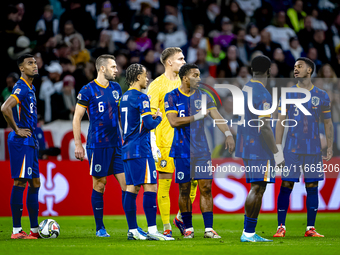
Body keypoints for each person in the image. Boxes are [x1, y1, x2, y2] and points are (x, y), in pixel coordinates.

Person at [165, 63, 235, 238]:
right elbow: (173, 121)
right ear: (185, 78)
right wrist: (196, 116)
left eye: (199, 75)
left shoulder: (204, 96)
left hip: (202, 151)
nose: (199, 78)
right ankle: (188, 227)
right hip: (182, 150)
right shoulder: (171, 96)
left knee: (206, 188)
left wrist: (228, 133)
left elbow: (217, 116)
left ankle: (208, 229)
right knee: (184, 190)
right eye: (195, 75)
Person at [273, 57, 334, 238]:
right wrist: (277, 148)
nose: (296, 69)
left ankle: (310, 228)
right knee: (287, 184)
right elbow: (280, 122)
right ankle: (281, 227)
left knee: (312, 185)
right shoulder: (288, 93)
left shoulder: (322, 95)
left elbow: (328, 123)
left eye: (300, 66)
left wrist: (329, 146)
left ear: (309, 70)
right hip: (292, 147)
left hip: (314, 149)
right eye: (294, 67)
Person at [73, 54, 127, 237]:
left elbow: (120, 116)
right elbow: (77, 117)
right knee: (100, 185)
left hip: (117, 145)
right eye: (113, 67)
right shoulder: (88, 90)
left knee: (128, 185)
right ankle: (100, 228)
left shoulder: (116, 88)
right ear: (102, 68)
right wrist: (78, 145)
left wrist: (126, 136)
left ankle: (133, 228)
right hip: (97, 145)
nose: (116, 70)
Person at [120, 63, 174, 241]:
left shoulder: (124, 97)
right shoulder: (142, 98)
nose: (147, 78)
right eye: (145, 75)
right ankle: (152, 230)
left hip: (127, 148)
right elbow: (149, 125)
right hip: (140, 149)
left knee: (131, 188)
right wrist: (158, 116)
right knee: (150, 187)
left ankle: (133, 230)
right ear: (138, 78)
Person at [235, 55, 285, 242]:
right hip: (258, 147)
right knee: (257, 187)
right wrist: (277, 153)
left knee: (256, 186)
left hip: (246, 144)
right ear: (269, 70)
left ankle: (248, 231)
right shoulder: (262, 93)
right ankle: (248, 233)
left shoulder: (245, 88)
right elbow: (264, 126)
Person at [147, 47, 191, 237]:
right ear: (169, 62)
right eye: (180, 59)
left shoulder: (187, 83)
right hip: (165, 142)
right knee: (164, 185)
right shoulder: (157, 85)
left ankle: (180, 217)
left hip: (187, 142)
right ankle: (166, 226)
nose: (184, 61)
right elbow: (148, 116)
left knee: (195, 183)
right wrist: (153, 144)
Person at [1, 54, 40, 239]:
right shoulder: (21, 88)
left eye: (35, 62)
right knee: (20, 182)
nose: (35, 65)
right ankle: (17, 230)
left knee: (35, 183)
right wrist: (16, 129)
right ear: (21, 68)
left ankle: (34, 230)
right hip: (21, 141)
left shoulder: (30, 88)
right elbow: (5, 108)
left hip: (30, 141)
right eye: (30, 63)